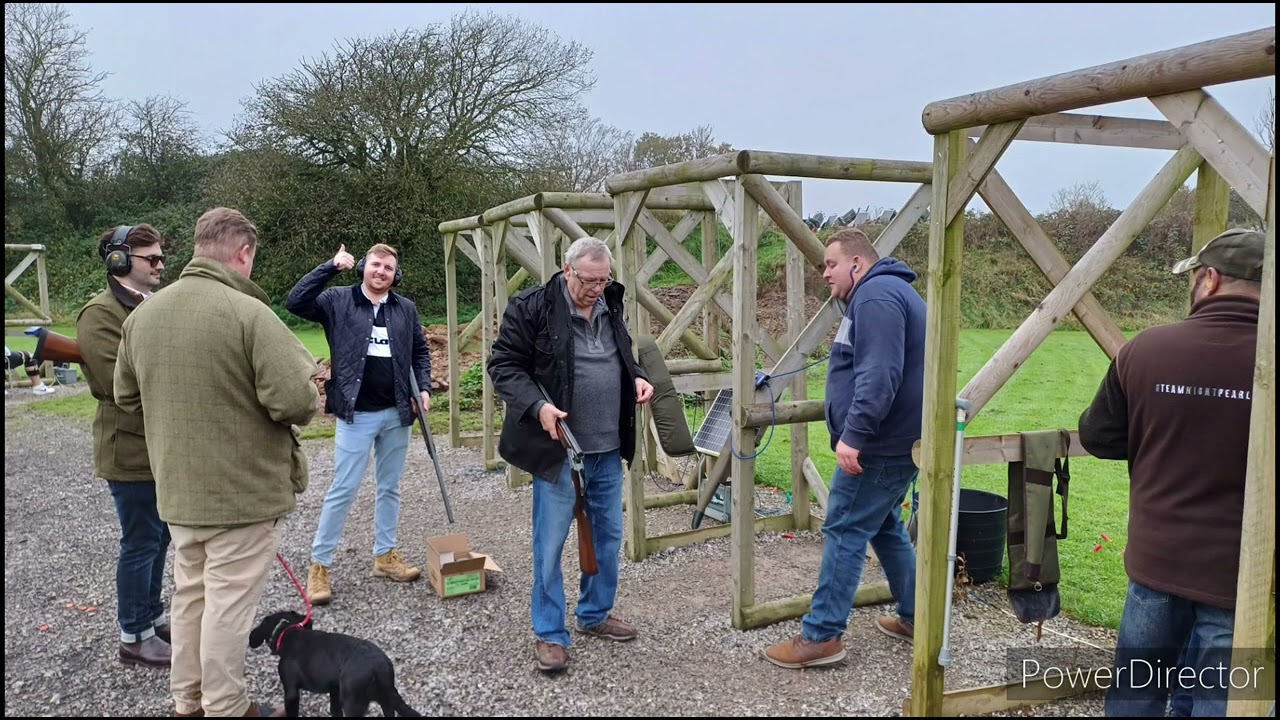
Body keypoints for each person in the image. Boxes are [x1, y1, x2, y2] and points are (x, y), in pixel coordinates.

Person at [115, 207, 320, 717]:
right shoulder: (250, 314)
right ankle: (227, 706)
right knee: (227, 608)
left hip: (179, 493)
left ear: (198, 245)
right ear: (243, 252)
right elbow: (296, 402)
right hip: (243, 497)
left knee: (191, 599)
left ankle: (188, 701)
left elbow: (126, 396)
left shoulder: (143, 315)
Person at [1079, 227, 1263, 717]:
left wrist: (1164, 444)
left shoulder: (1145, 349)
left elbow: (1099, 436)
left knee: (1135, 699)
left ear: (1210, 279)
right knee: (1221, 705)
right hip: (1243, 579)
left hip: (1157, 562)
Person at [487, 236, 654, 674]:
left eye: (604, 280)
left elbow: (621, 355)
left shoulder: (610, 303)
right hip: (561, 450)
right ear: (566, 271)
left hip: (608, 447)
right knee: (550, 543)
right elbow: (503, 365)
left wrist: (636, 377)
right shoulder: (532, 307)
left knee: (608, 539)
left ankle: (595, 615)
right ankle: (549, 632)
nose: (597, 288)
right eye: (589, 280)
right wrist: (539, 407)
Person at [764, 227, 927, 669]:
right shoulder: (888, 293)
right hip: (899, 440)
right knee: (884, 527)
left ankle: (822, 637)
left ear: (858, 262)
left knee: (844, 528)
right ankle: (918, 617)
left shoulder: (875, 299)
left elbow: (880, 376)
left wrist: (854, 434)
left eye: (831, 264)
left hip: (880, 443)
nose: (824, 274)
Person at [285, 242, 433, 605]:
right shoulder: (338, 300)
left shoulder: (405, 309)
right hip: (357, 413)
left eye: (388, 268)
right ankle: (320, 566)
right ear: (363, 267)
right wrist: (330, 266)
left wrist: (424, 388)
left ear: (395, 275)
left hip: (398, 413)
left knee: (390, 487)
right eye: (375, 265)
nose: (381, 272)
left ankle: (385, 555)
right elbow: (296, 301)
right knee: (343, 488)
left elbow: (419, 352)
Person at [76, 223, 170, 669]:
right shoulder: (99, 314)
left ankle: (150, 619)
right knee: (141, 540)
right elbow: (116, 386)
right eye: (150, 259)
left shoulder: (152, 305)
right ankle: (134, 634)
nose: (160, 266)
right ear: (118, 260)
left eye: (160, 257)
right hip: (129, 448)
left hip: (159, 444)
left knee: (161, 535)